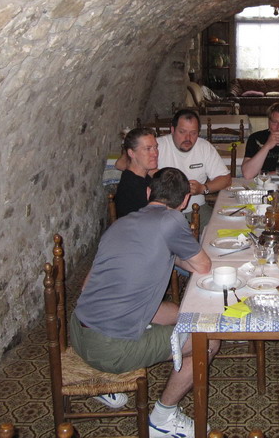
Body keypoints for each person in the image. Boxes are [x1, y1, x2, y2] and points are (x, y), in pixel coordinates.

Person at [70, 168, 220, 438]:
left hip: (78, 333)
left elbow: (85, 285)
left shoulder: (121, 223)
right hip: (109, 348)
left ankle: (107, 380)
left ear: (149, 192)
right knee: (207, 340)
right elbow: (204, 266)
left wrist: (173, 252)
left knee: (180, 312)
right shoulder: (172, 220)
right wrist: (181, 253)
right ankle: (163, 418)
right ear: (185, 200)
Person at [157, 109, 232, 226]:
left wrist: (203, 188)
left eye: (193, 133)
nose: (188, 138)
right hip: (163, 211)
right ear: (172, 130)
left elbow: (225, 179)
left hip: (197, 207)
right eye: (182, 132)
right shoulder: (157, 146)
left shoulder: (204, 147)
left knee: (220, 229)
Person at [113, 127, 158, 218]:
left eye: (156, 147)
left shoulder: (144, 177)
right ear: (131, 153)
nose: (155, 153)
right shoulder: (131, 187)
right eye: (148, 149)